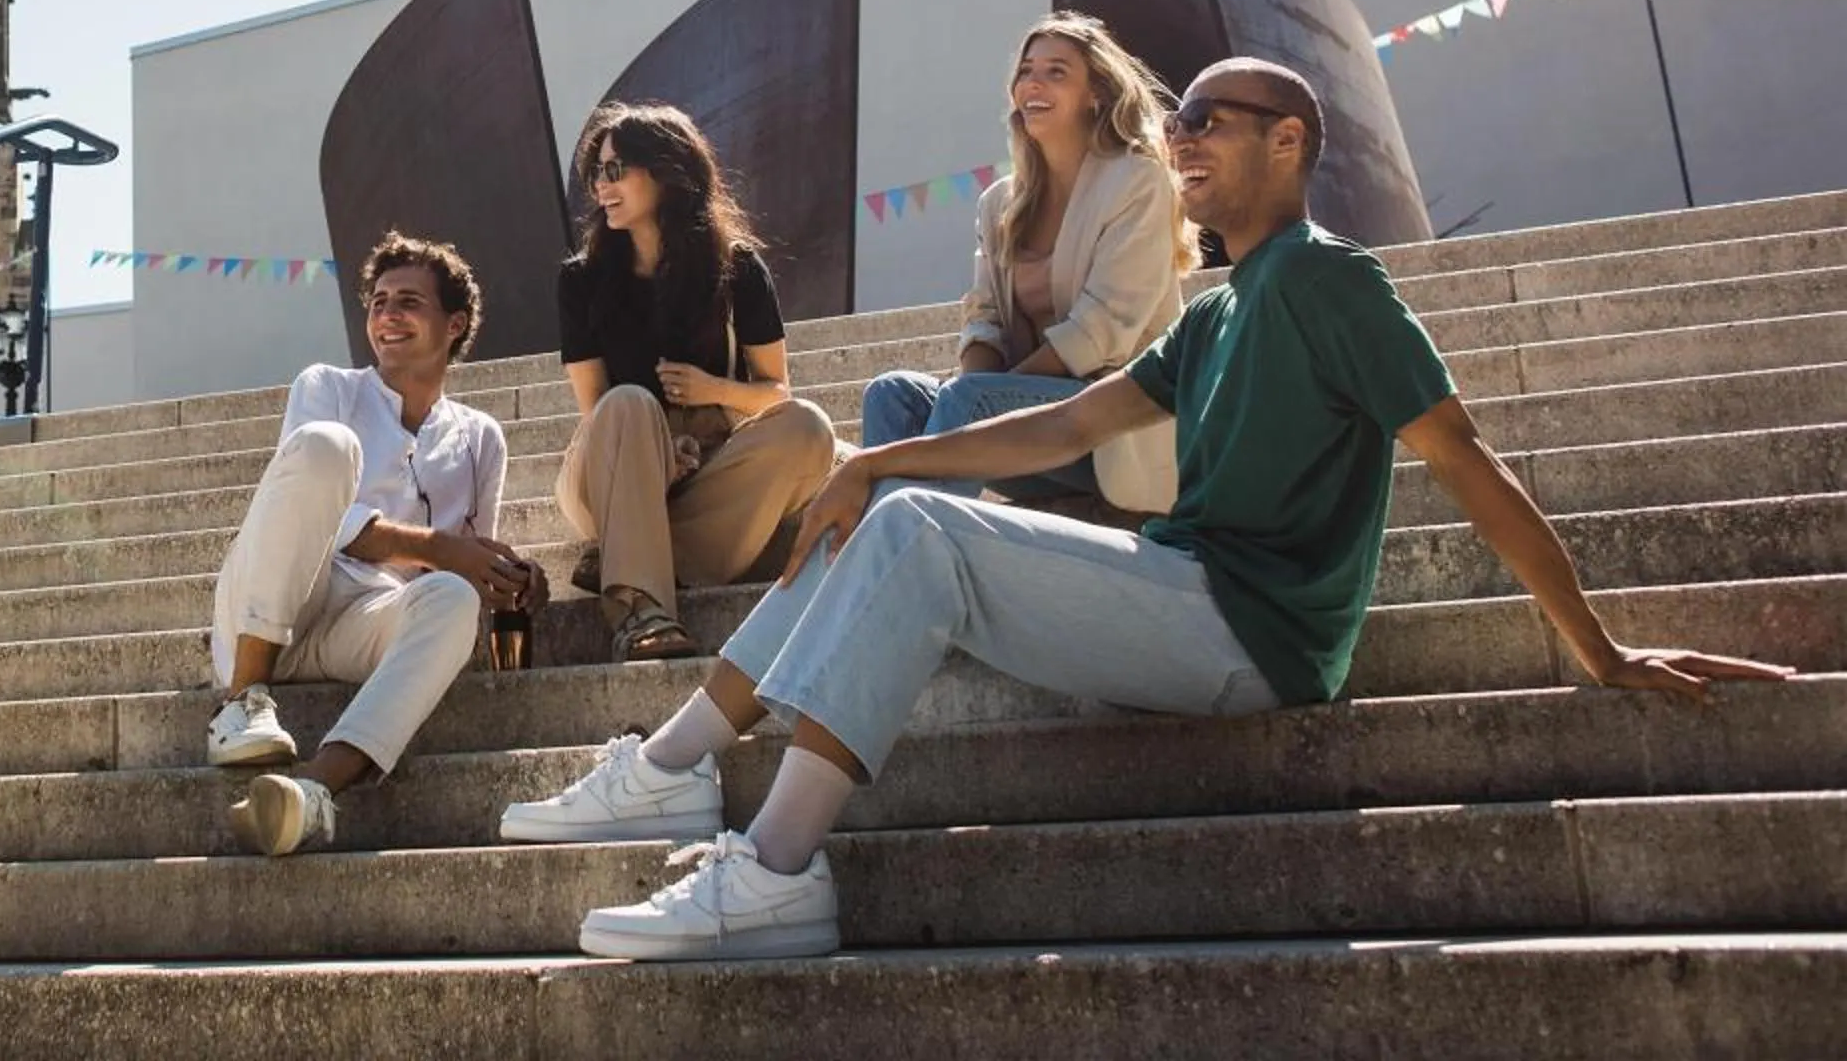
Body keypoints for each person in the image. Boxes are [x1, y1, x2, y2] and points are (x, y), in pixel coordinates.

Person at [503, 58, 1793, 960]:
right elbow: (1069, 420)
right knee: (889, 504)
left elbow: (1463, 455)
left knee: (909, 520)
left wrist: (1598, 645)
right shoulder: (1225, 303)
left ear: (1290, 142)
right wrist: (878, 462)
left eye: (1215, 120)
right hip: (1178, 588)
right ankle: (674, 767)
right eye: (1177, 119)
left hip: (1252, 629)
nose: (1183, 138)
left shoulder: (1328, 281)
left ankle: (771, 867)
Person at [206, 230, 541, 857]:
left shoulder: (481, 439)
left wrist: (506, 578)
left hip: (363, 625)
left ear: (454, 323)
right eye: (379, 301)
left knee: (450, 600)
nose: (387, 315)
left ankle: (313, 792)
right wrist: (443, 548)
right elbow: (330, 525)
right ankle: (243, 701)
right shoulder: (328, 386)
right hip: (279, 596)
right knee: (328, 447)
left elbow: (464, 569)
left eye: (409, 302)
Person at [862, 12, 1195, 515]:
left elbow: (1101, 330)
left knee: (967, 402)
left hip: (1108, 432)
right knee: (892, 395)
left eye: (1056, 71)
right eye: (1026, 70)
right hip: (1028, 426)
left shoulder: (1136, 180)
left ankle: (896, 548)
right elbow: (985, 319)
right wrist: (982, 388)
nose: (1033, 82)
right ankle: (898, 545)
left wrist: (985, 400)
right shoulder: (999, 202)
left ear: (1095, 94)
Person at [555, 102, 838, 662]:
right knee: (628, 404)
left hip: (712, 473)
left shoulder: (739, 270)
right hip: (615, 470)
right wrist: (658, 453)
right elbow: (596, 411)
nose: (601, 187)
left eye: (615, 171)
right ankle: (640, 610)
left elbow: (775, 394)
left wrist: (715, 393)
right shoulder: (581, 280)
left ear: (666, 171)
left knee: (809, 428)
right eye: (596, 174)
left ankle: (627, 557)